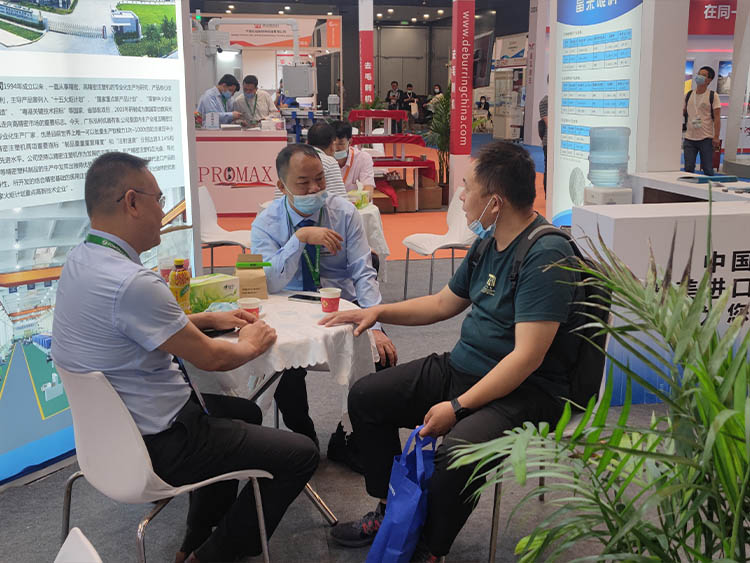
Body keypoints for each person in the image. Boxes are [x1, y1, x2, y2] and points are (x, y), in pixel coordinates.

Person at [51, 152, 319, 563]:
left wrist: (205, 318)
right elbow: (213, 358)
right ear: (132, 202)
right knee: (301, 455)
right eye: (158, 200)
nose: (164, 212)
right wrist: (251, 342)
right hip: (165, 443)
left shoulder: (81, 261)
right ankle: (210, 556)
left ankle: (195, 537)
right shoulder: (134, 283)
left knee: (244, 414)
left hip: (107, 441)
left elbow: (127, 324)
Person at [322, 141, 582, 561]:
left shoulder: (545, 255)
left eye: (467, 187)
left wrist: (458, 407)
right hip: (466, 369)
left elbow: (527, 357)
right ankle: (392, 512)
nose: (461, 196)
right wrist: (377, 311)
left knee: (456, 454)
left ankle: (428, 549)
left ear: (494, 202)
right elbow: (444, 303)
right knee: (368, 397)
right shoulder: (489, 241)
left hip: (525, 392)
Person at [251, 144, 397, 466]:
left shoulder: (344, 213)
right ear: (282, 187)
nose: (315, 188)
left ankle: (349, 439)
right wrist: (300, 239)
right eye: (303, 183)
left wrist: (376, 326)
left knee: (382, 358)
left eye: (320, 179)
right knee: (283, 367)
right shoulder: (266, 222)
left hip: (342, 305)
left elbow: (363, 272)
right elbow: (270, 283)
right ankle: (304, 438)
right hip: (288, 308)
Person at [683, 66, 721, 176]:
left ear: (709, 80)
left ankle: (709, 187)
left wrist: (716, 136)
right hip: (689, 138)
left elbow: (717, 118)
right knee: (688, 169)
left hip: (706, 138)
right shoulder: (688, 95)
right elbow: (683, 112)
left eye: (703, 75)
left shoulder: (713, 96)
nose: (699, 77)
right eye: (699, 74)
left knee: (708, 169)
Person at [331, 120, 375, 194]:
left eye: (340, 144)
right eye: (333, 144)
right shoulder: (324, 159)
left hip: (355, 200)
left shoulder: (363, 158)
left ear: (350, 142)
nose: (336, 148)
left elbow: (368, 189)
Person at [539, 91, 549, 195]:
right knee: (549, 169)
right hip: (549, 142)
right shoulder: (545, 101)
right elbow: (549, 123)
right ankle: (548, 196)